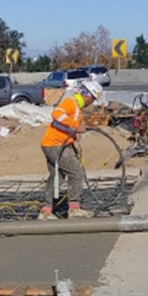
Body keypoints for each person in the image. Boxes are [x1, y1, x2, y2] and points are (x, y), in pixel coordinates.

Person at [38, 79, 103, 219]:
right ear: (87, 95)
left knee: (57, 177)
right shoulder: (70, 103)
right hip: (55, 145)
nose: (92, 103)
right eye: (93, 99)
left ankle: (46, 210)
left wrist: (73, 139)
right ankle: (74, 209)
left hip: (53, 144)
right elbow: (57, 114)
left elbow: (65, 127)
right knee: (76, 173)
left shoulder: (77, 108)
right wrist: (75, 126)